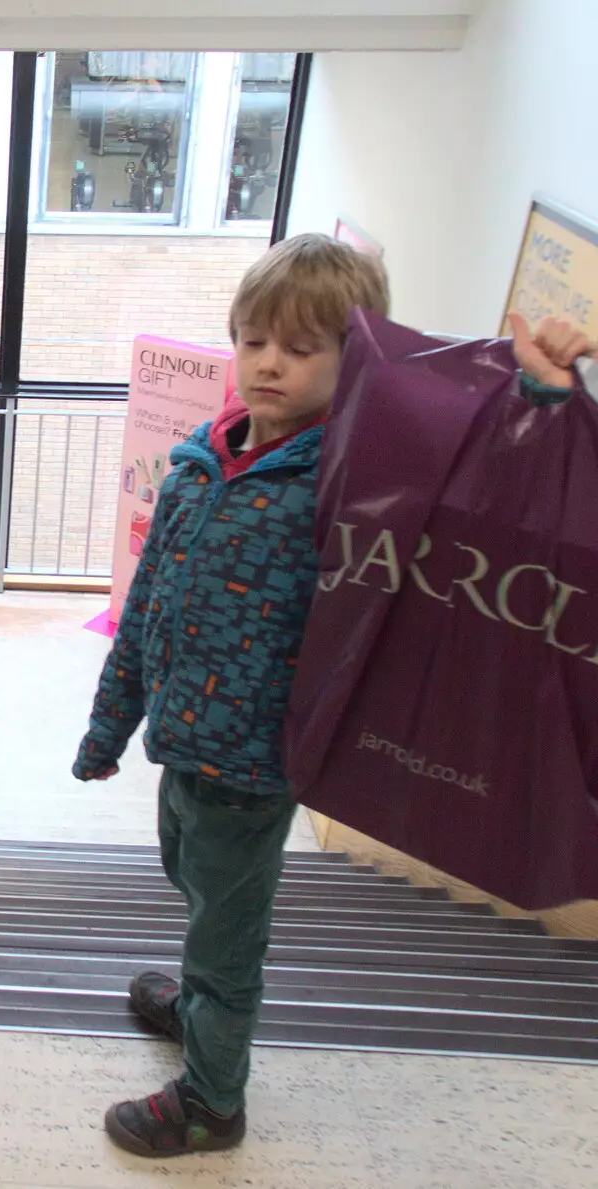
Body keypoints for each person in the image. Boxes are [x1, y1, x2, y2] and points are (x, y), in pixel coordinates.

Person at [72, 232, 595, 1157]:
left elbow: (489, 484)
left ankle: (211, 1099)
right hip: (181, 749)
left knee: (229, 935)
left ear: (359, 367)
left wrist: (539, 396)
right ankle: (199, 1000)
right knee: (190, 882)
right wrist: (110, 724)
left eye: (303, 348)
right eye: (254, 340)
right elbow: (148, 602)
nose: (269, 364)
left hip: (257, 761)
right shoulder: (201, 458)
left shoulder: (361, 484)